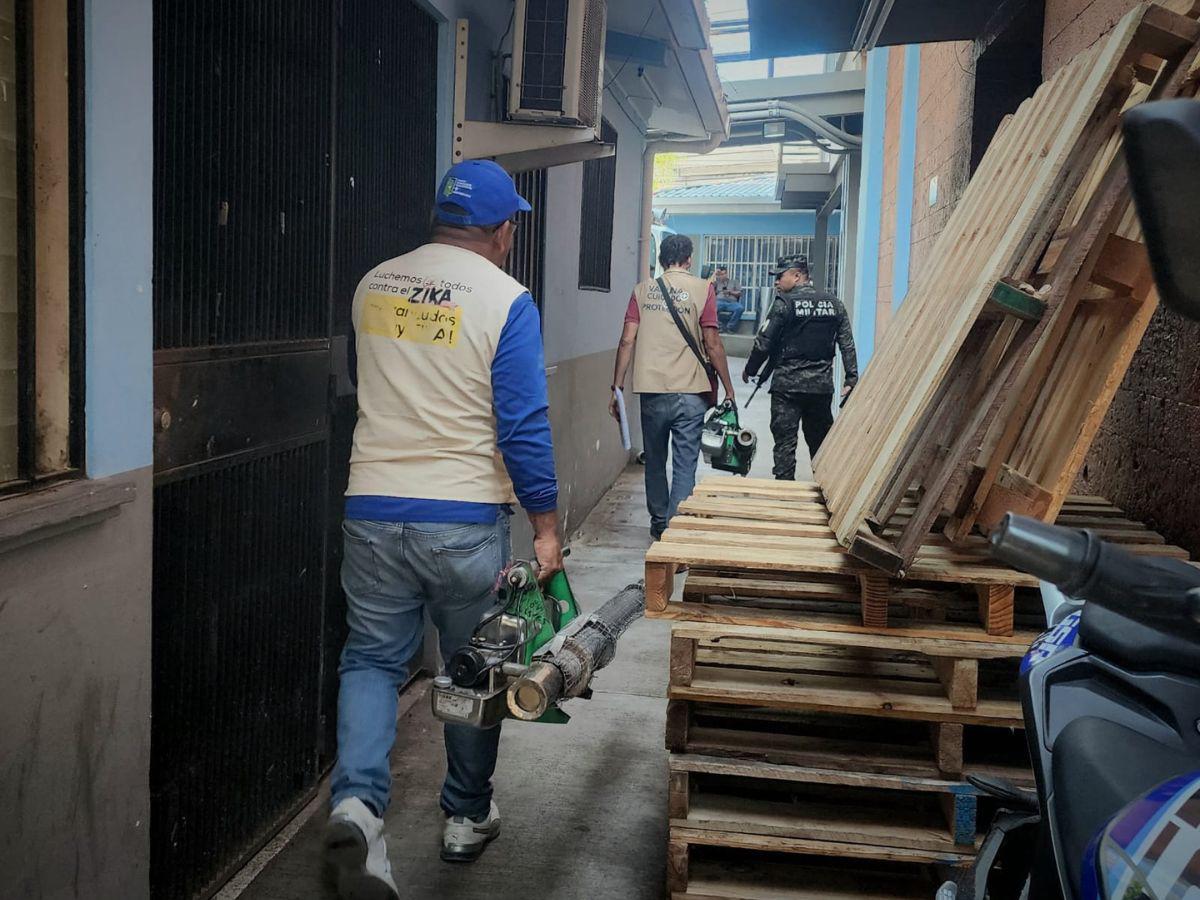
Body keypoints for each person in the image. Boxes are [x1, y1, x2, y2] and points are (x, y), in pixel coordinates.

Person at [325, 159, 562, 899]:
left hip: (371, 508)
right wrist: (546, 526)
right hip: (461, 517)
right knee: (472, 670)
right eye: (510, 227)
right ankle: (464, 815)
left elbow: (364, 384)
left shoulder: (375, 283)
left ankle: (358, 808)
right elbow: (523, 425)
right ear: (501, 232)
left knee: (370, 661)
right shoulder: (506, 298)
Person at [609, 234, 736, 540]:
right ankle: (676, 527)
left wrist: (617, 387)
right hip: (691, 390)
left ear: (663, 258)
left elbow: (627, 339)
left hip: (652, 389)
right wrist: (729, 388)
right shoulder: (703, 289)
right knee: (684, 462)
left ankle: (657, 522)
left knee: (654, 458)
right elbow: (712, 342)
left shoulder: (642, 291)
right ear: (689, 259)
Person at [743, 254, 858, 480]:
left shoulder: (783, 304)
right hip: (820, 388)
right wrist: (851, 378)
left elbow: (764, 342)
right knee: (822, 446)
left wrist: (751, 369)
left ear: (797, 276)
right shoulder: (834, 304)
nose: (776, 282)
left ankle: (785, 496)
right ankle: (827, 492)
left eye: (780, 276)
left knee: (785, 445)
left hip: (787, 389)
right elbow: (847, 343)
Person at [712, 265, 745, 333]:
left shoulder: (734, 281)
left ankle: (730, 327)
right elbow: (708, 286)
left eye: (724, 274)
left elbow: (740, 293)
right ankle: (719, 326)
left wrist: (730, 292)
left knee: (740, 308)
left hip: (731, 303)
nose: (723, 276)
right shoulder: (716, 282)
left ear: (727, 274)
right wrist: (714, 274)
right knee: (713, 306)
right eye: (721, 274)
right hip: (719, 302)